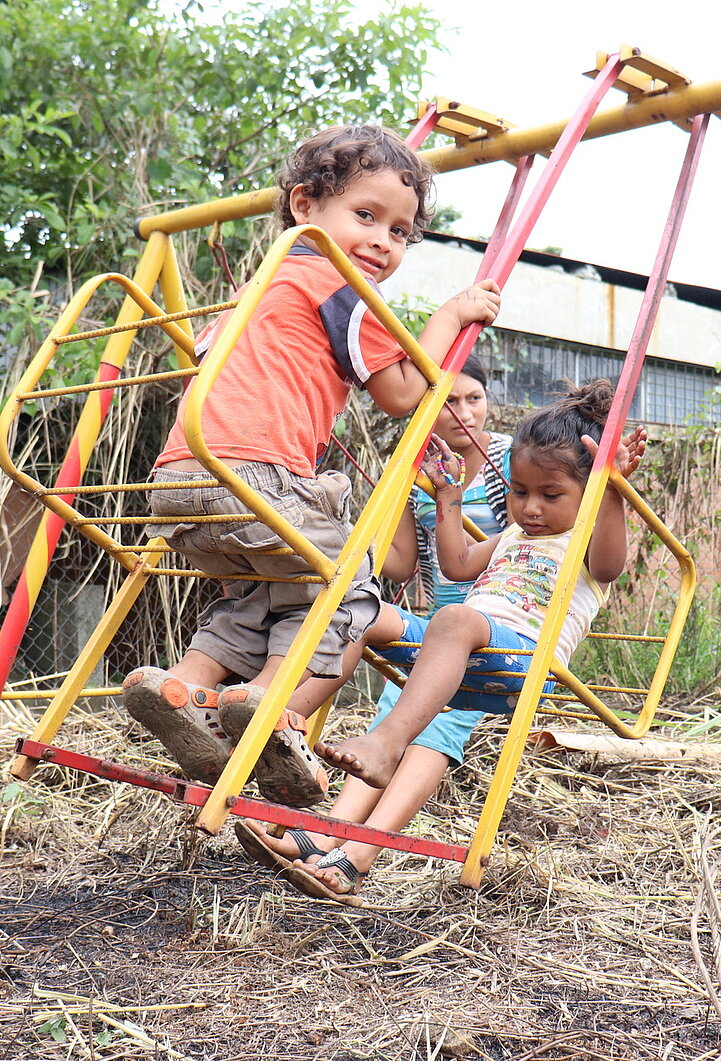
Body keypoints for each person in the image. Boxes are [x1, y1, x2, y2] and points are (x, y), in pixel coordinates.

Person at [121, 124, 501, 806]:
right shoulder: (339, 282)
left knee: (267, 592)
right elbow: (404, 397)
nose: (383, 241)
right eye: (366, 215)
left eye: (401, 232)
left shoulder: (256, 287)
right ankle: (268, 705)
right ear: (304, 207)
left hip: (177, 484)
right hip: (251, 477)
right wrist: (448, 317)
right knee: (349, 587)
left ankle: (183, 680)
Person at [287, 379, 645, 901]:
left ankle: (385, 753)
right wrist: (449, 497)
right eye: (520, 493)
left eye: (551, 495)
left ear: (586, 493)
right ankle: (284, 723)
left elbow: (611, 567)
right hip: (465, 641)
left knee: (454, 618)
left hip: (522, 659)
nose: (531, 509)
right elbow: (456, 564)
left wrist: (611, 489)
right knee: (365, 611)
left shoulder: (587, 536)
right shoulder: (516, 534)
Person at [233, 355, 514, 902]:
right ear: (427, 413)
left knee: (437, 723)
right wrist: (377, 509)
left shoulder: (507, 464)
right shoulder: (422, 467)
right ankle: (321, 831)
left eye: (473, 398)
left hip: (490, 626)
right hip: (434, 620)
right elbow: (400, 564)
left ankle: (358, 857)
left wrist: (452, 501)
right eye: (448, 402)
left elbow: (524, 541)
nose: (463, 413)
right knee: (371, 642)